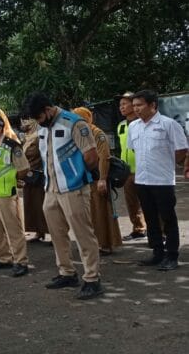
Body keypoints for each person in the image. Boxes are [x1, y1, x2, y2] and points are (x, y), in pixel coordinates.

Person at [23, 92, 103, 300]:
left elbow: (92, 156)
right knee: (57, 234)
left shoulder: (74, 123)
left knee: (83, 234)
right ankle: (67, 272)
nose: (38, 122)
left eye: (39, 117)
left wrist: (77, 175)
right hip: (51, 189)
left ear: (48, 110)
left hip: (73, 188)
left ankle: (92, 278)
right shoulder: (42, 127)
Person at [128, 90, 188, 271]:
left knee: (168, 218)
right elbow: (133, 150)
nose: (136, 109)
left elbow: (181, 150)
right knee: (151, 218)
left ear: (153, 105)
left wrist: (167, 163)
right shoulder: (134, 127)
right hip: (142, 179)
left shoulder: (168, 124)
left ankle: (172, 255)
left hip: (162, 180)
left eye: (140, 105)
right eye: (134, 106)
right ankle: (157, 252)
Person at [0, 115, 30, 277]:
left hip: (5, 194)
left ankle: (21, 261)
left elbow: (23, 168)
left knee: (13, 229)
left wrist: (13, 180)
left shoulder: (11, 146)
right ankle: (3, 257)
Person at [72, 107, 122, 255]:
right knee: (89, 213)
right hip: (85, 179)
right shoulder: (81, 134)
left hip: (97, 178)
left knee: (101, 212)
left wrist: (102, 179)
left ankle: (105, 244)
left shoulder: (97, 134)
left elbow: (104, 158)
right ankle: (93, 243)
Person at [116, 92, 147, 241]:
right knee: (131, 202)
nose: (121, 107)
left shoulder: (143, 123)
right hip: (127, 171)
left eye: (124, 104)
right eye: (120, 104)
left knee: (149, 201)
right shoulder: (121, 126)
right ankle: (138, 228)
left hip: (143, 169)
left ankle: (160, 232)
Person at [20, 119, 48, 242]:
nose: (23, 124)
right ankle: (38, 232)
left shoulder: (38, 137)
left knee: (42, 205)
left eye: (27, 122)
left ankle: (51, 232)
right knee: (31, 205)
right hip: (28, 176)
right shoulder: (27, 138)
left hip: (38, 175)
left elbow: (38, 153)